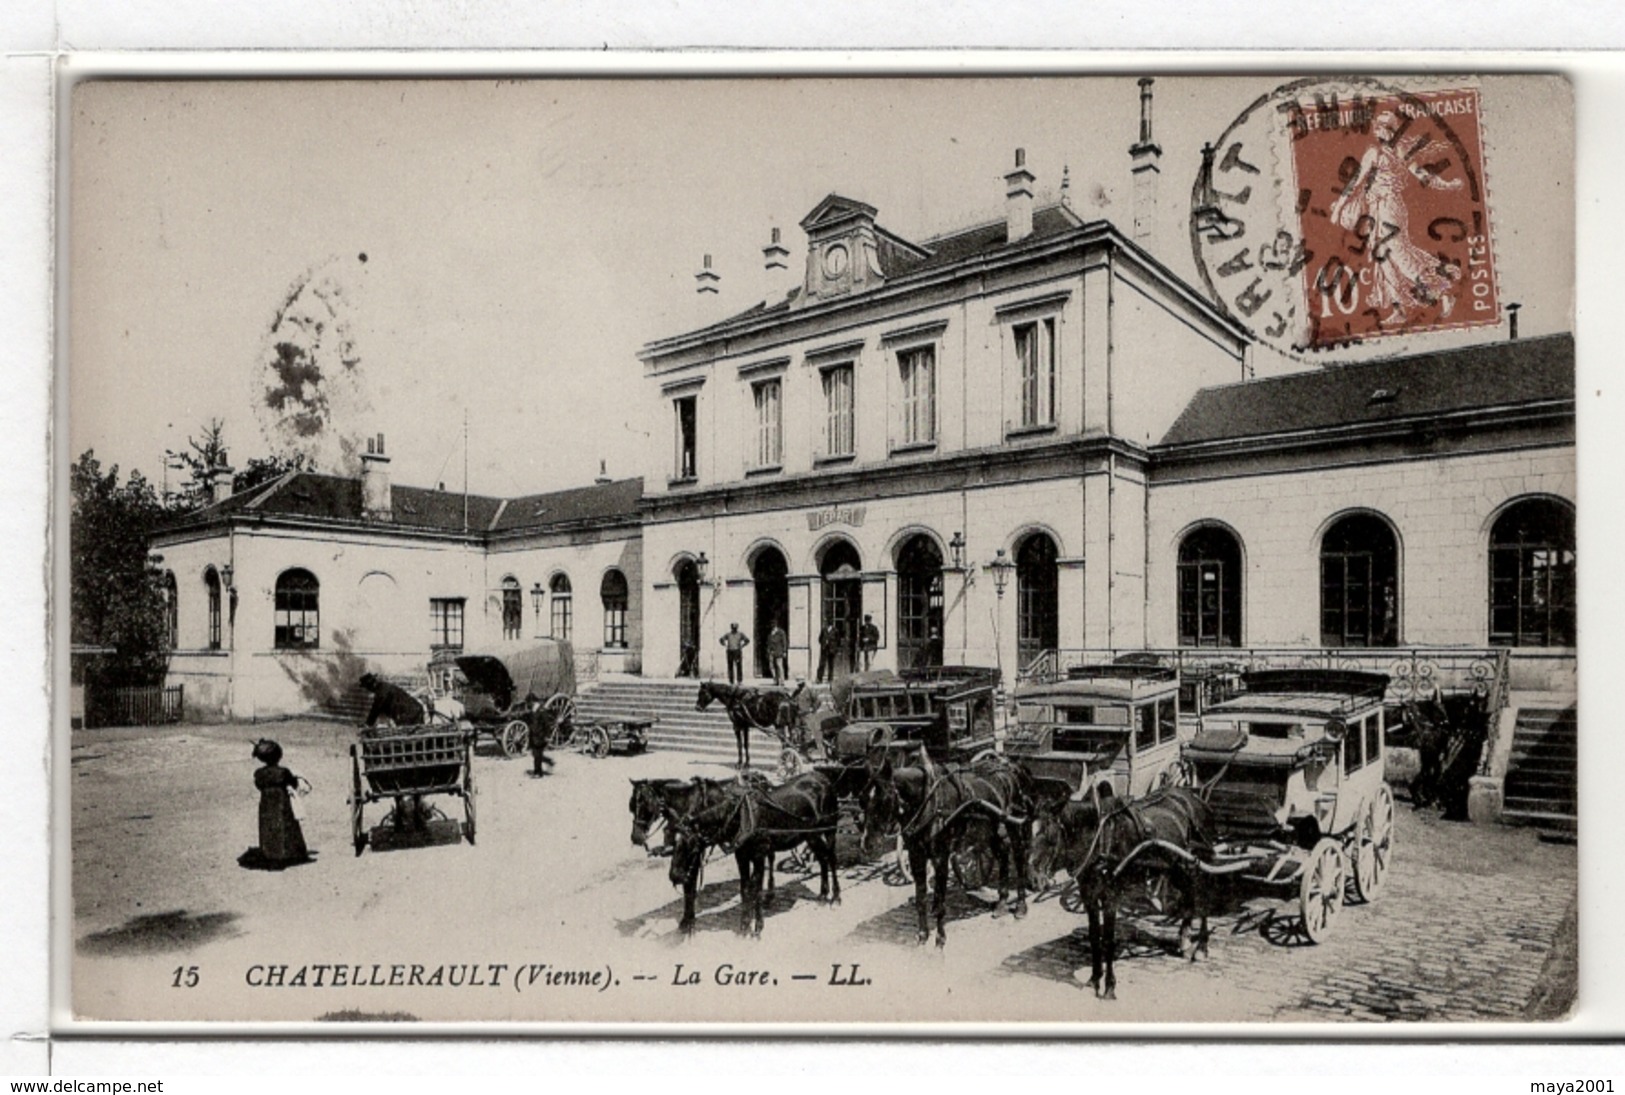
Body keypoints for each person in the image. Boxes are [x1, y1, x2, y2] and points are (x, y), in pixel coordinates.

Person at [1327, 110, 1464, 327]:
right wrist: (1447, 185)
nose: (1381, 131)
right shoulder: (1399, 150)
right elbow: (1422, 175)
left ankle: (1440, 291)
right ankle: (1399, 308)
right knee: (1383, 256)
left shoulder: (1375, 153)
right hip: (1384, 208)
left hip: (1387, 208)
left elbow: (1356, 182)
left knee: (1397, 253)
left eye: (1385, 128)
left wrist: (1338, 209)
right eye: (1381, 127)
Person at [244, 739, 310, 870]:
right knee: (287, 827)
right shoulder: (283, 772)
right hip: (282, 803)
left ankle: (270, 855)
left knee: (268, 828)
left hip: (266, 804)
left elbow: (258, 785)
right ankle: (291, 854)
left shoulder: (259, 773)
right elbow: (293, 783)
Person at [359, 672, 426, 729]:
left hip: (410, 713)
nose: (368, 690)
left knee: (407, 736)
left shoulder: (381, 692)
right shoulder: (383, 686)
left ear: (372, 685)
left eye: (367, 688)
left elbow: (376, 708)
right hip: (414, 709)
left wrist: (368, 724)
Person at [816, 620, 842, 684]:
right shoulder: (823, 630)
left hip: (831, 650)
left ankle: (830, 679)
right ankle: (819, 678)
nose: (828, 625)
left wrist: (834, 647)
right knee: (822, 664)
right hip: (824, 650)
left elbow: (838, 641)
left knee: (831, 665)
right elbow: (819, 639)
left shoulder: (835, 630)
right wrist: (824, 643)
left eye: (829, 624)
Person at [766, 621, 790, 686]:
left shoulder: (781, 633)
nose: (772, 626)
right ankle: (775, 680)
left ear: (776, 625)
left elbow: (784, 642)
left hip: (779, 651)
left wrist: (784, 651)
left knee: (779, 666)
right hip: (771, 652)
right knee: (771, 666)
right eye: (771, 625)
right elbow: (769, 643)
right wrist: (768, 651)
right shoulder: (770, 633)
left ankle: (782, 681)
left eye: (773, 625)